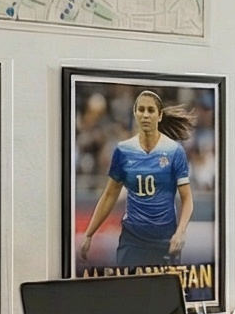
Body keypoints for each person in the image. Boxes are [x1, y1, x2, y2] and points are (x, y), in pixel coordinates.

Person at [82, 88, 195, 272]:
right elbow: (110, 194)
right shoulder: (123, 151)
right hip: (132, 240)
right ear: (134, 114)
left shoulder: (174, 151)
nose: (145, 115)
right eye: (141, 109)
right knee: (130, 295)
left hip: (164, 240)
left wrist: (180, 232)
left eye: (150, 110)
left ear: (159, 116)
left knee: (163, 298)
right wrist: (89, 234)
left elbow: (187, 198)